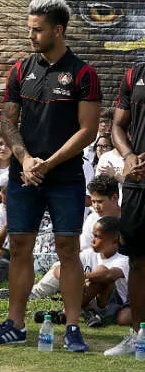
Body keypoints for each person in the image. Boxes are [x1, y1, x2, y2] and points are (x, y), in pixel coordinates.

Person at [0, 0, 100, 352]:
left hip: (64, 177)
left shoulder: (84, 72)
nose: (31, 35)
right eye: (29, 28)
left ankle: (73, 328)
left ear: (58, 30)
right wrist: (26, 158)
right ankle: (14, 325)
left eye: (38, 30)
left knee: (67, 249)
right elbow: (6, 121)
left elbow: (88, 130)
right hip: (23, 174)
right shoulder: (19, 70)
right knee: (19, 247)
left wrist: (48, 163)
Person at [104, 61, 145, 356]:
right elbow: (118, 124)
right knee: (139, 262)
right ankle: (137, 336)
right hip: (138, 183)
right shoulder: (134, 74)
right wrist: (129, 156)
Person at [80, 175, 121, 253]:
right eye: (93, 201)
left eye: (100, 201)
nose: (95, 206)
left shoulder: (130, 219)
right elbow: (84, 249)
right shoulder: (91, 219)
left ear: (114, 198)